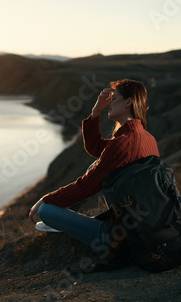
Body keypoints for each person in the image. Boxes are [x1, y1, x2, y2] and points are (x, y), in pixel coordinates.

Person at [28, 78, 160, 258]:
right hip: (145, 227)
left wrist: (46, 199)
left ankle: (74, 225)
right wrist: (96, 111)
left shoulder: (123, 143)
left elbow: (86, 187)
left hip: (120, 238)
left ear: (129, 102)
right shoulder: (146, 138)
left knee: (45, 211)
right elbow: (96, 149)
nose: (110, 103)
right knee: (95, 164)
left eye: (114, 98)